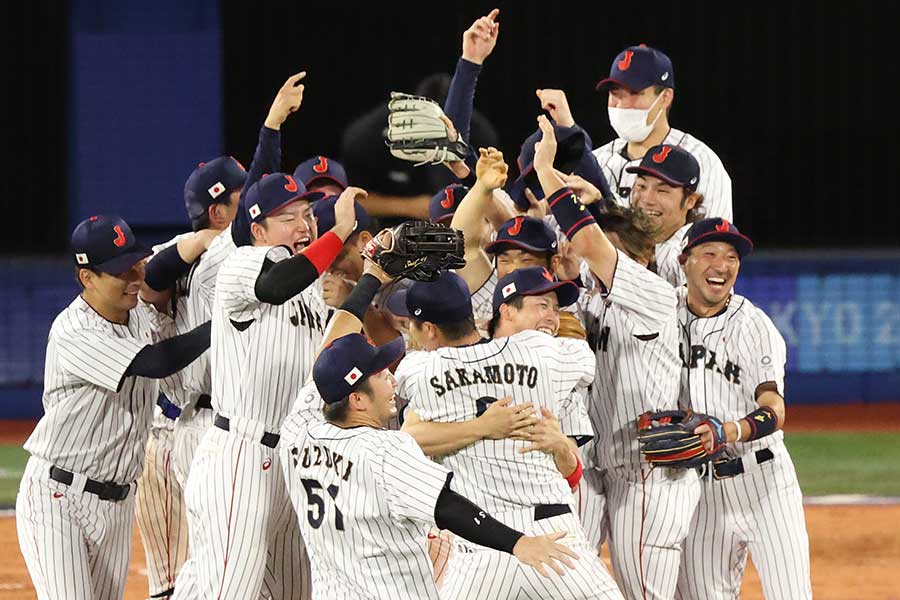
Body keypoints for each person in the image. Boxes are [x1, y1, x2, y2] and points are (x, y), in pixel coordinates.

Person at [533, 114, 700, 600]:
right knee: (568, 585)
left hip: (648, 473)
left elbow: (590, 241)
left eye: (615, 251)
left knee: (645, 593)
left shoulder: (653, 294)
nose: (602, 257)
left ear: (638, 259)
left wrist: (547, 168)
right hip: (595, 465)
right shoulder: (588, 292)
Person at [183, 168, 362, 598]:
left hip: (291, 461)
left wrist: (372, 278)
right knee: (231, 591)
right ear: (258, 229)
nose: (304, 225)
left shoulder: (314, 290)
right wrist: (338, 233)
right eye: (288, 218)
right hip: (240, 458)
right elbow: (277, 284)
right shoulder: (242, 262)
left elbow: (332, 345)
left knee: (295, 592)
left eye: (308, 214)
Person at [392, 270, 622, 600]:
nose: (551, 317)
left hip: (482, 548)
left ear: (428, 329)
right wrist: (486, 425)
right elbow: (584, 360)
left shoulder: (421, 369)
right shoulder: (544, 352)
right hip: (557, 538)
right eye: (542, 305)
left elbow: (407, 438)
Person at [16, 215, 211, 600]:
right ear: (87, 278)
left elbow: (164, 263)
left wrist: (208, 237)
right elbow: (156, 362)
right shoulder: (75, 330)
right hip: (59, 497)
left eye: (135, 262)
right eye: (120, 271)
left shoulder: (136, 307)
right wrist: (222, 323)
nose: (134, 276)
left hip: (119, 503)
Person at [673, 218, 811, 599]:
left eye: (732, 257)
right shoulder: (662, 314)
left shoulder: (755, 326)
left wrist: (729, 430)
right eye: (710, 253)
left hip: (764, 483)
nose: (722, 265)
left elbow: (774, 408)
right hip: (700, 492)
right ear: (684, 261)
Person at [535, 44, 732, 221]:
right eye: (615, 94)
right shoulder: (597, 159)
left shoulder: (703, 161)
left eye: (635, 94)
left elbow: (714, 249)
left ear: (665, 98)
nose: (622, 104)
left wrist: (604, 205)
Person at [339, 10, 501, 223]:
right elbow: (347, 201)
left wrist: (471, 63)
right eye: (436, 124)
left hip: (460, 228)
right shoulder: (369, 137)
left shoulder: (479, 136)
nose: (443, 130)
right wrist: (408, 206)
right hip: (394, 232)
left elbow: (493, 201)